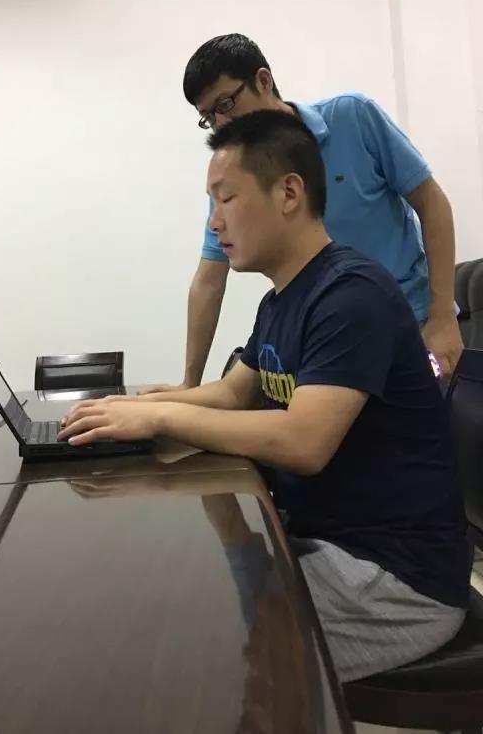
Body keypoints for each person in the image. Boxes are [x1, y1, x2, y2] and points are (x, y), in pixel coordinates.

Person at [58, 110, 471, 682]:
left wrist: (161, 418)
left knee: (180, 644)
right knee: (168, 599)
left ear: (289, 193)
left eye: (226, 198)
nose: (214, 222)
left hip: (395, 581)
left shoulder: (352, 295)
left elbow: (304, 442)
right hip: (331, 546)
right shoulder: (281, 300)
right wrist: (133, 408)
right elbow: (234, 393)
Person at [148, 34, 462, 390]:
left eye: (225, 104)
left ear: (263, 81)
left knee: (423, 417)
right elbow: (209, 280)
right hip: (331, 341)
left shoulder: (352, 117)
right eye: (208, 116)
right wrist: (189, 382)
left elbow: (432, 204)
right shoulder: (235, 173)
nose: (222, 123)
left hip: (412, 327)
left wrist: (441, 317)